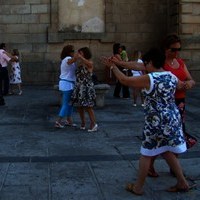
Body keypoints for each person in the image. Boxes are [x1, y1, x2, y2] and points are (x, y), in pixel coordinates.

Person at [101, 48, 192, 195]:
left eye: (146, 63)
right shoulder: (171, 76)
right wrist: (190, 82)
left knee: (147, 153)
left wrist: (112, 67)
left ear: (150, 62)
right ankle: (182, 182)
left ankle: (138, 187)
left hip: (156, 121)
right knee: (167, 150)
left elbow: (125, 80)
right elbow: (183, 85)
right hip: (172, 119)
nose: (144, 66)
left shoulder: (151, 78)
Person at [149, 34, 196, 177]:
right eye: (173, 49)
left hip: (180, 103)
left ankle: (172, 168)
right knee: (162, 136)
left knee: (176, 135)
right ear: (165, 49)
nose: (176, 52)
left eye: (178, 49)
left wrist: (188, 83)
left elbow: (191, 79)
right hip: (165, 104)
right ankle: (152, 166)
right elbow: (144, 70)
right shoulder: (160, 63)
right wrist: (118, 65)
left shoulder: (180, 62)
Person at [71, 47, 98, 132]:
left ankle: (94, 124)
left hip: (87, 87)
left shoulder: (89, 62)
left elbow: (89, 65)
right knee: (80, 106)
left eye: (81, 53)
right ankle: (83, 123)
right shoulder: (79, 63)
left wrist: (80, 58)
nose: (79, 54)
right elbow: (69, 63)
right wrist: (74, 58)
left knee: (88, 106)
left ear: (85, 53)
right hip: (79, 86)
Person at [55, 45, 78, 128]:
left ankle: (69, 120)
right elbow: (71, 61)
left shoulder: (67, 59)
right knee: (66, 104)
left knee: (70, 103)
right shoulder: (67, 59)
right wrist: (78, 56)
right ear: (69, 52)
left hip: (69, 84)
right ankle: (58, 121)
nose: (74, 52)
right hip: (67, 84)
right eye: (73, 51)